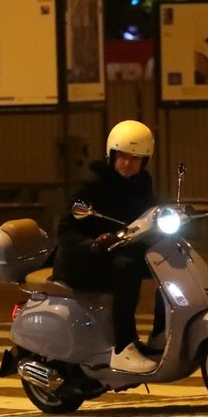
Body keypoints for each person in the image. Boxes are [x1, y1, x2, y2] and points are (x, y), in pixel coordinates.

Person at [52, 120, 165, 374]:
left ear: (145, 161)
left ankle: (160, 334)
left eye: (136, 158)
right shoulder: (91, 184)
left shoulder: (142, 181)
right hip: (83, 259)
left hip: (119, 247)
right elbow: (65, 232)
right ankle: (123, 348)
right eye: (122, 156)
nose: (128, 164)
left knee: (166, 264)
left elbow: (148, 213)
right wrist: (92, 244)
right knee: (127, 270)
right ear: (111, 155)